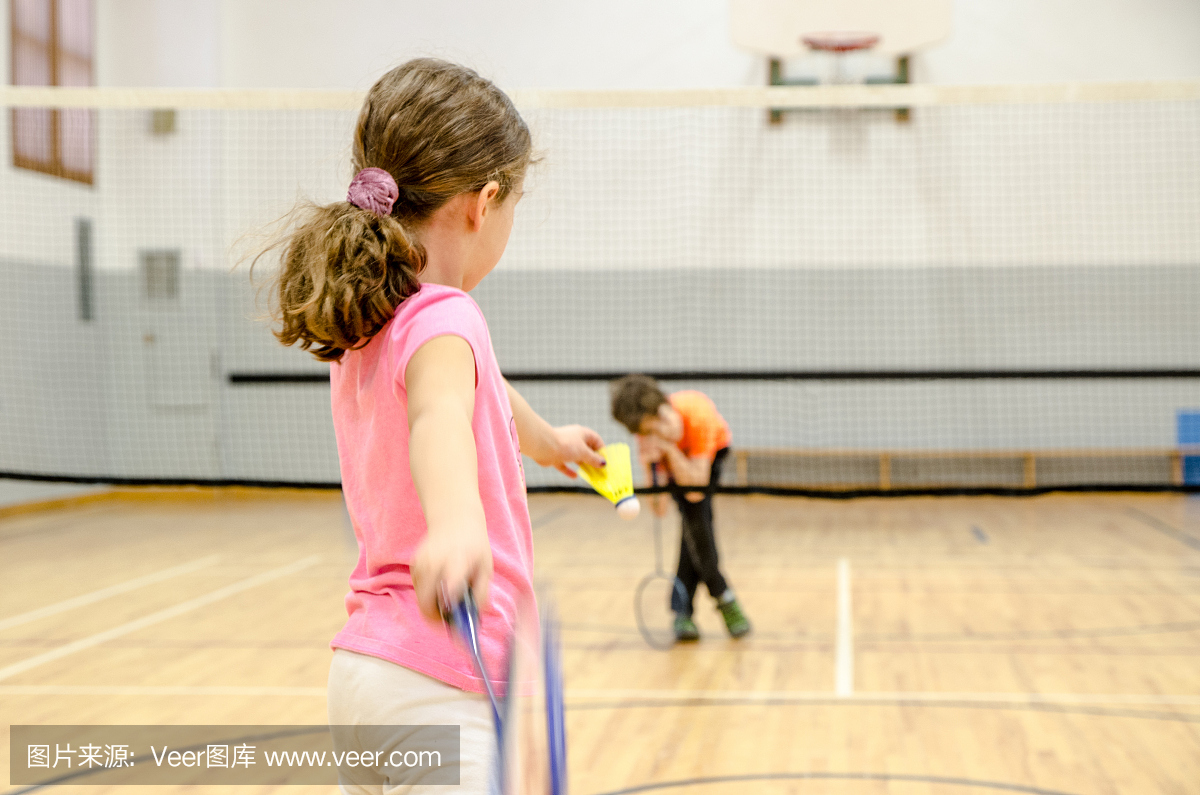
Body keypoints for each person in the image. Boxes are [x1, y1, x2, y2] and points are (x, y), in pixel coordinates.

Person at [256, 58, 606, 793]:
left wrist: (550, 443)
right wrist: (454, 522)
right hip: (443, 675)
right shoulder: (450, 316)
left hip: (364, 678)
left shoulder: (373, 318)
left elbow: (478, 391)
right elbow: (439, 416)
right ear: (484, 202)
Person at [610, 374, 751, 642]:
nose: (658, 433)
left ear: (664, 409)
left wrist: (671, 451)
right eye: (648, 432)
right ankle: (701, 605)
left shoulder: (698, 415)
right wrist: (651, 471)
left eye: (659, 424)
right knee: (695, 525)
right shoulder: (647, 436)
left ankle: (695, 606)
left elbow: (696, 492)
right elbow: (659, 507)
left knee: (695, 517)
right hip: (685, 469)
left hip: (713, 452)